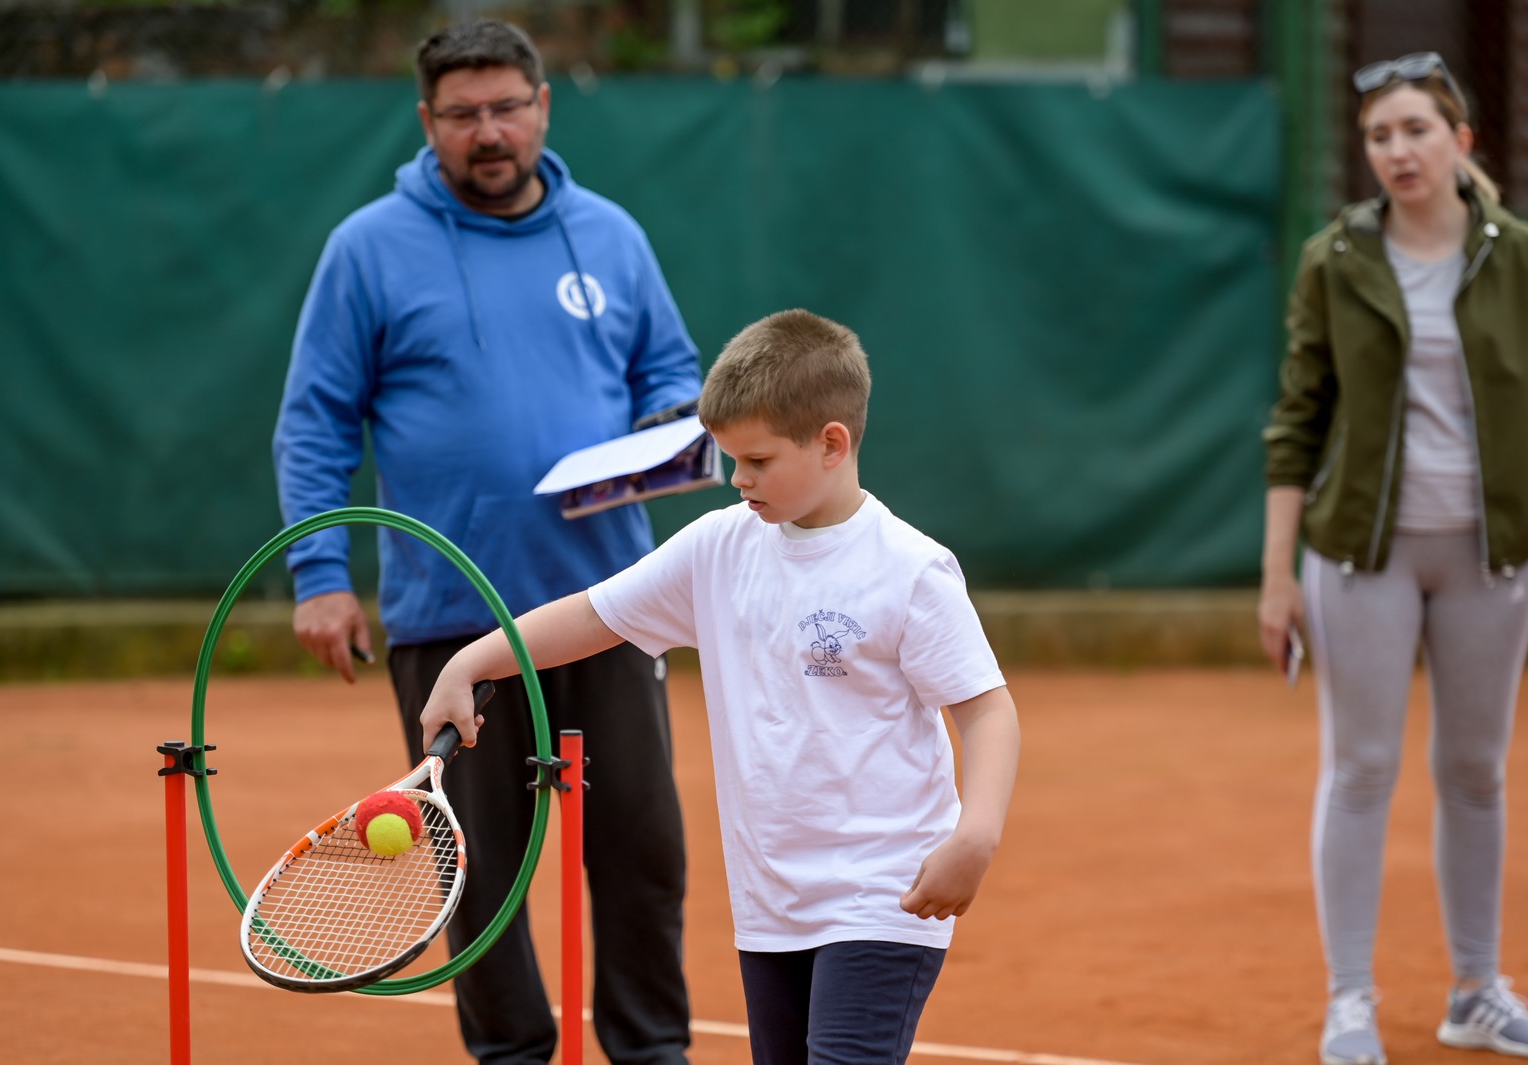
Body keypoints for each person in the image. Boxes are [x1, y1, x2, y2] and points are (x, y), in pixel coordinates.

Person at [419, 309, 1022, 1065]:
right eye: (730, 458)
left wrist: (976, 834)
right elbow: (595, 615)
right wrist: (470, 663)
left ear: (832, 443)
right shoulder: (718, 546)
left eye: (758, 460)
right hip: (769, 903)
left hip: (882, 893)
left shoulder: (910, 569)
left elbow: (987, 710)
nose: (739, 479)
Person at [271, 19, 698, 1065]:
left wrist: (663, 429)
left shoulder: (611, 235)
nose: (489, 131)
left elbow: (671, 371)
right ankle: (510, 1055)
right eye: (462, 114)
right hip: (450, 623)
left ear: (542, 107)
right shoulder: (367, 248)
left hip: (608, 608)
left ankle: (653, 1052)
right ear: (427, 123)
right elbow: (315, 420)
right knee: (477, 871)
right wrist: (320, 575)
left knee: (642, 856)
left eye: (507, 107)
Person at [1259, 51, 1528, 1065]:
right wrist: (1277, 576)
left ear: (1460, 141)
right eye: (1378, 136)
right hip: (1362, 556)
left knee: (1475, 772)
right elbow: (1297, 420)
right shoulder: (1335, 257)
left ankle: (1475, 992)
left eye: (1416, 131)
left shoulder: (1524, 258)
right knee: (1361, 768)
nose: (1397, 151)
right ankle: (1349, 1000)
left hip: (1493, 556)